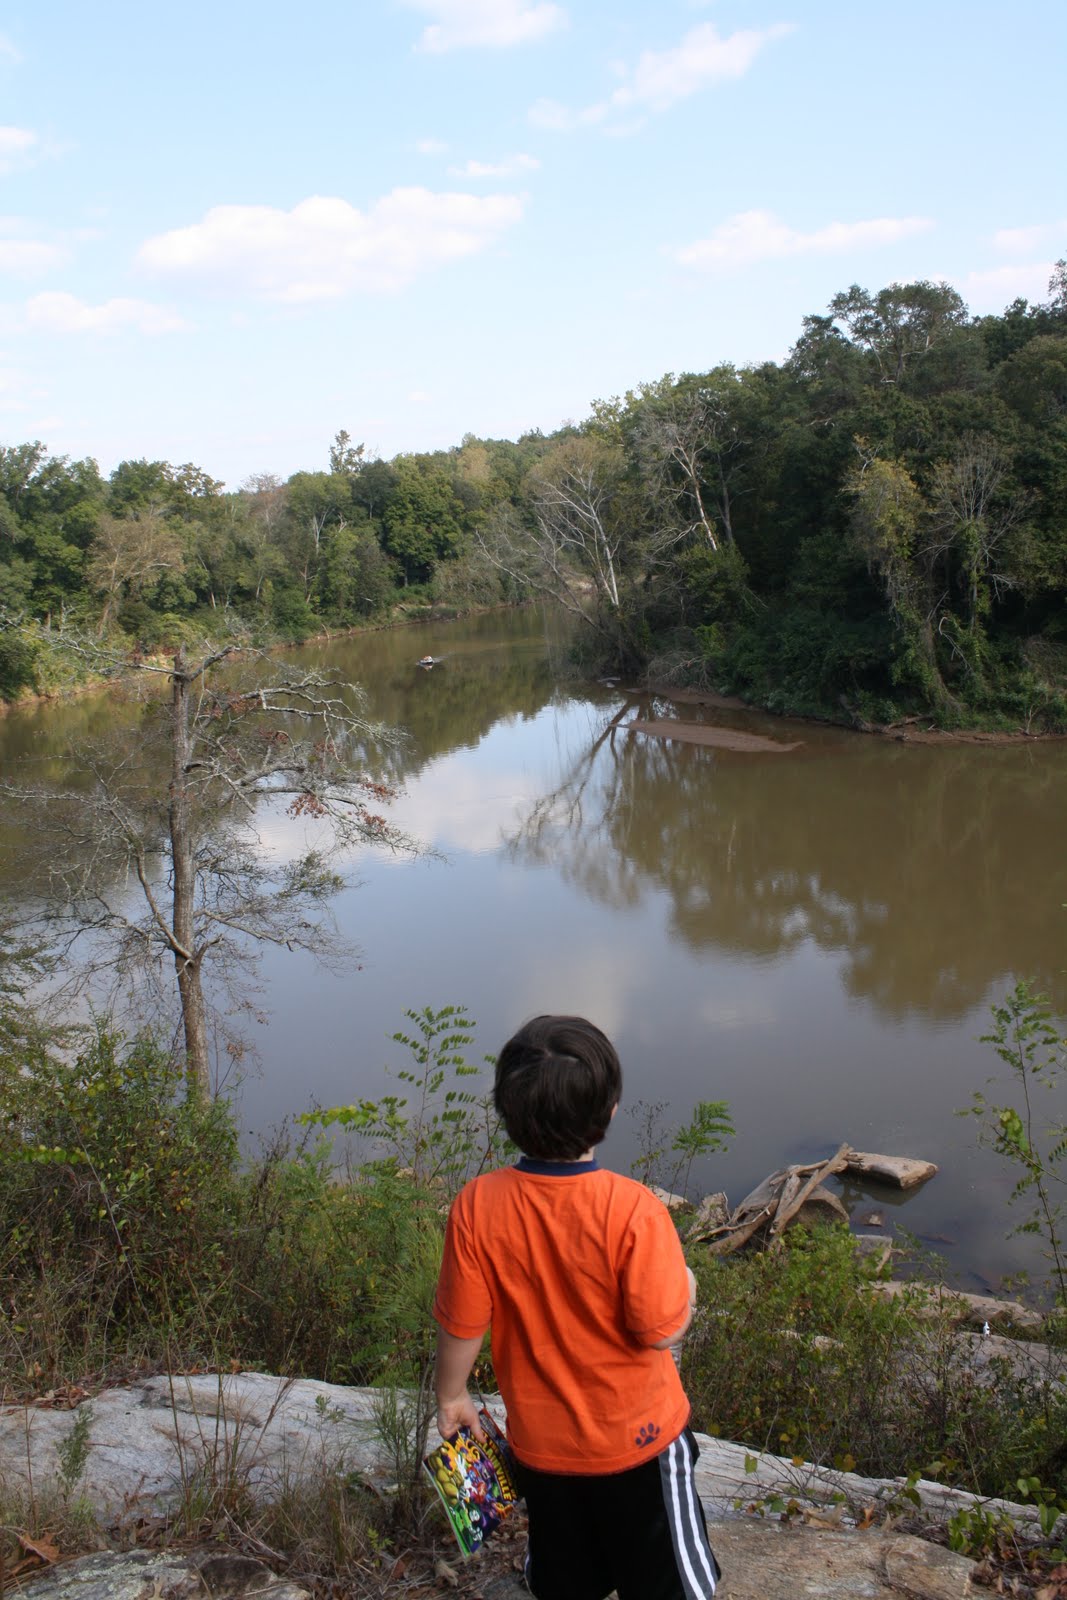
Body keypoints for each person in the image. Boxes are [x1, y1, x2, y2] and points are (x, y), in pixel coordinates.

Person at [433, 1015, 721, 1600]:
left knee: (565, 1578)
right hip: (641, 1448)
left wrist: (453, 1395)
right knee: (668, 1585)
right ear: (610, 1111)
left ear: (506, 1114)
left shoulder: (477, 1205)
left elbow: (463, 1321)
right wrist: (687, 1286)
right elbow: (660, 1330)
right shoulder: (635, 1210)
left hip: (543, 1451)